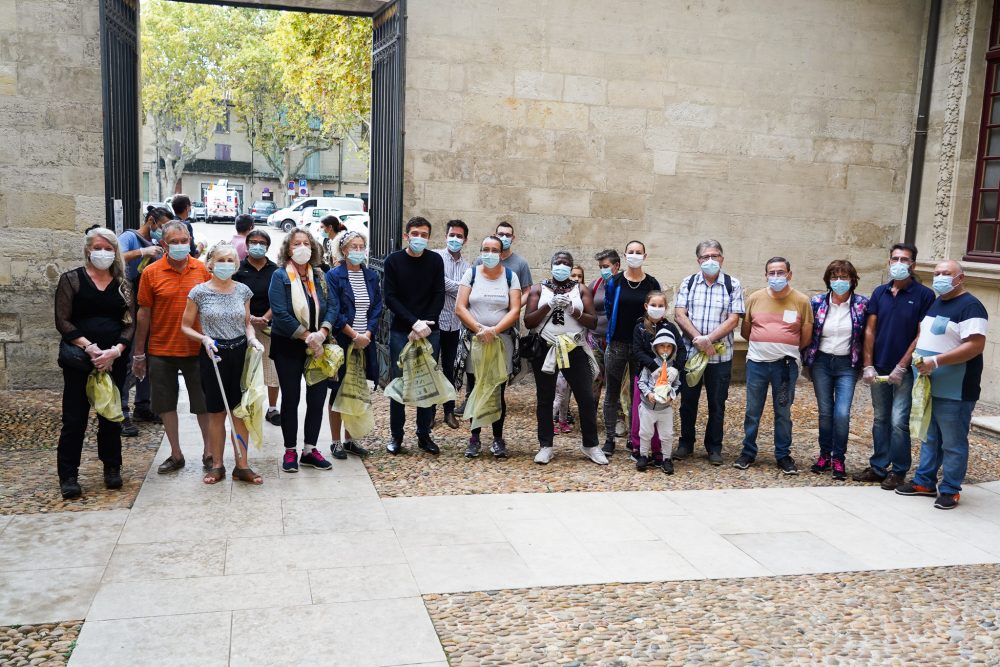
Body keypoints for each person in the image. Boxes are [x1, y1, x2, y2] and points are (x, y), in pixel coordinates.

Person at [896, 260, 988, 510]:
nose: (940, 278)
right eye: (936, 273)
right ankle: (924, 482)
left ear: (961, 278)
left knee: (953, 441)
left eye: (946, 274)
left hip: (955, 389)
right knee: (930, 436)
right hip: (928, 386)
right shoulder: (939, 302)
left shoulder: (971, 306)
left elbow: (975, 345)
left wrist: (935, 361)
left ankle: (950, 489)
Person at [53, 227, 133, 499]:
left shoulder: (123, 284)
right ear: (88, 249)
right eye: (98, 247)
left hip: (112, 359)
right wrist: (89, 347)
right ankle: (69, 475)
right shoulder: (72, 280)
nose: (103, 252)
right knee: (74, 418)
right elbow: (62, 320)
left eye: (109, 248)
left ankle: (112, 467)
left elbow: (129, 322)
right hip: (80, 358)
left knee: (110, 415)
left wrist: (115, 350)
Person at [131, 221, 213, 474]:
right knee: (166, 404)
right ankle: (176, 453)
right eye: (174, 242)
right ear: (163, 245)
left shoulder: (202, 270)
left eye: (184, 240)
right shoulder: (151, 273)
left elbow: (211, 308)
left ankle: (209, 452)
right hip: (161, 349)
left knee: (204, 404)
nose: (180, 245)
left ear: (190, 240)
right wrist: (139, 353)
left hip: (196, 349)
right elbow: (144, 313)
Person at [180, 243, 264, 485]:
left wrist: (252, 338)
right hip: (212, 354)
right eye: (221, 259)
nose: (226, 263)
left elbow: (247, 322)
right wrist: (204, 338)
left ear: (236, 264)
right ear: (210, 263)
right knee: (216, 412)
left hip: (239, 353)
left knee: (240, 411)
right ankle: (217, 465)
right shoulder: (198, 292)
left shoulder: (243, 291)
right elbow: (185, 326)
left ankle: (242, 465)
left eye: (230, 260)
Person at [854, 243, 936, 489]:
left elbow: (921, 334)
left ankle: (899, 470)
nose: (899, 263)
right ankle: (879, 466)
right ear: (889, 262)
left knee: (899, 420)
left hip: (905, 370)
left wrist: (902, 365)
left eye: (904, 259)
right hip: (878, 365)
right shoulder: (879, 292)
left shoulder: (924, 295)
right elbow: (870, 329)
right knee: (880, 418)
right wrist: (868, 364)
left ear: (913, 265)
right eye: (895, 259)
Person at [524, 250, 604, 465]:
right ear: (551, 265)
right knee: (545, 397)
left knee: (586, 397)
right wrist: (548, 306)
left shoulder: (581, 289)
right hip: (546, 347)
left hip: (573, 347)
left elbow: (593, 322)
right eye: (558, 262)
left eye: (566, 263)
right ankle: (546, 445)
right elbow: (529, 322)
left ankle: (590, 444)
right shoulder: (538, 289)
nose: (562, 266)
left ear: (571, 267)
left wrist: (573, 310)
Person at [268, 229, 339, 472]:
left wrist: (323, 332)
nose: (302, 247)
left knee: (317, 398)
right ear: (288, 249)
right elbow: (279, 312)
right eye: (296, 243)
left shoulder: (320, 275)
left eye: (306, 243)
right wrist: (307, 335)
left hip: (319, 346)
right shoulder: (280, 276)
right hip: (288, 345)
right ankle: (290, 450)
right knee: (290, 398)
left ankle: (310, 449)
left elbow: (332, 306)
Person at [734, 257, 813, 474]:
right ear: (765, 274)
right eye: (772, 272)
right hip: (757, 364)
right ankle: (748, 452)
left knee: (783, 411)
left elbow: (806, 336)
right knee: (752, 410)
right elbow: (746, 331)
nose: (776, 276)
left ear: (789, 274)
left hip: (785, 367)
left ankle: (783, 455)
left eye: (780, 272)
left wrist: (784, 348)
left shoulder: (802, 301)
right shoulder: (755, 298)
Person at [674, 240, 745, 465]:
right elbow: (679, 314)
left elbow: (734, 319)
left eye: (715, 256)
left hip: (720, 355)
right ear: (698, 260)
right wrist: (699, 339)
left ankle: (714, 447)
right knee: (688, 401)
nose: (710, 260)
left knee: (717, 402)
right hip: (692, 353)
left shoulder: (732, 284)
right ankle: (686, 442)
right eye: (705, 257)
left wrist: (709, 339)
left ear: (722, 258)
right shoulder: (689, 282)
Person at [455, 235, 522, 458]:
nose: (490, 253)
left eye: (494, 250)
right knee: (475, 387)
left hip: (501, 341)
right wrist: (479, 328)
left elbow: (514, 309)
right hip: (476, 340)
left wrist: (494, 330)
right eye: (486, 249)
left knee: (497, 390)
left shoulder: (510, 276)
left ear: (501, 253)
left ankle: (497, 437)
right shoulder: (471, 274)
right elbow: (460, 307)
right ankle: (474, 438)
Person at [801, 260, 869, 481]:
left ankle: (839, 457)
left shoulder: (861, 304)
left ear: (852, 280)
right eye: (835, 277)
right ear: (828, 280)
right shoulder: (817, 302)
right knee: (825, 411)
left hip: (846, 364)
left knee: (842, 413)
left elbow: (867, 335)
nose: (839, 281)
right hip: (821, 362)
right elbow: (808, 331)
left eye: (844, 277)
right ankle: (824, 456)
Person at [383, 217, 446, 454]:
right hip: (403, 330)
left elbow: (439, 293)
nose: (419, 237)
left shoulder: (435, 260)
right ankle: (396, 436)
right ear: (406, 235)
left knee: (426, 383)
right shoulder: (393, 261)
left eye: (424, 234)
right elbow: (390, 296)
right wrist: (413, 322)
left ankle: (424, 434)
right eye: (415, 233)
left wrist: (425, 323)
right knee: (399, 383)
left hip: (430, 330)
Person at [325, 231, 382, 460]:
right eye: (353, 246)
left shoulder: (371, 276)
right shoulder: (334, 275)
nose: (358, 250)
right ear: (344, 250)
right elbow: (334, 308)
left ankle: (350, 439)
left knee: (357, 389)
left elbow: (377, 306)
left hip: (365, 342)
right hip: (343, 341)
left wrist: (367, 333)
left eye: (361, 246)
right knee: (338, 390)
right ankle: (335, 441)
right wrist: (353, 334)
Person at [602, 240, 660, 457]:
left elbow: (655, 309)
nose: (635, 255)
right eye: (631, 252)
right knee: (612, 393)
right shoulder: (615, 282)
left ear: (645, 256)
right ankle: (609, 439)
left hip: (641, 346)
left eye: (639, 252)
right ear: (625, 255)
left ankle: (634, 437)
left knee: (639, 392)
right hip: (617, 343)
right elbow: (609, 308)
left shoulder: (652, 283)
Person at [116, 205, 171, 435]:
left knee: (146, 355)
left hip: (147, 304)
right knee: (129, 359)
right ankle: (121, 412)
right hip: (126, 302)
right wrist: (142, 253)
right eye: (163, 226)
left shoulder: (158, 244)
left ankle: (143, 404)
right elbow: (115, 258)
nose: (164, 230)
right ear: (151, 220)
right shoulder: (130, 237)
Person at [631, 290, 686, 468]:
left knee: (662, 416)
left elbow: (682, 350)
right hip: (645, 375)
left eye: (660, 305)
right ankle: (640, 450)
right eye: (653, 305)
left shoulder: (670, 328)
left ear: (665, 307)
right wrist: (653, 368)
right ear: (646, 306)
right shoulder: (639, 327)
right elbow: (637, 350)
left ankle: (660, 452)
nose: (657, 308)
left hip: (666, 376)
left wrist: (675, 369)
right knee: (642, 415)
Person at [233, 229, 282, 426]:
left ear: (268, 246)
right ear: (247, 244)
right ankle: (248, 405)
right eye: (253, 242)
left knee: (272, 369)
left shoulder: (275, 270)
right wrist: (250, 318)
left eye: (262, 242)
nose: (257, 245)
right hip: (244, 325)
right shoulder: (238, 269)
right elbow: (234, 296)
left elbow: (280, 297)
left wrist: (265, 317)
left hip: (270, 326)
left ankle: (272, 408)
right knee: (247, 368)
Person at [434, 219, 471, 430]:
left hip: (455, 325)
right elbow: (439, 282)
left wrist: (458, 288)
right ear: (446, 236)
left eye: (459, 236)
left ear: (465, 240)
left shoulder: (467, 266)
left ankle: (449, 411)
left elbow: (469, 291)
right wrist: (462, 288)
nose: (455, 239)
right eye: (452, 235)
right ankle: (428, 413)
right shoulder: (436, 258)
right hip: (435, 322)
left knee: (450, 368)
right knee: (431, 367)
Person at [590, 249, 625, 435]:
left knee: (616, 381)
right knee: (594, 379)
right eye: (600, 267)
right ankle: (590, 417)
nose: (602, 270)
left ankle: (618, 419)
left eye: (606, 266)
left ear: (616, 266)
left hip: (617, 341)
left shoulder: (623, 285)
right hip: (595, 338)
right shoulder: (595, 285)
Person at [636, 329, 680, 473]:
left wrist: (671, 395)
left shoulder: (673, 368)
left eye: (669, 346)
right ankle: (643, 456)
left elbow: (677, 385)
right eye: (662, 346)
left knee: (666, 434)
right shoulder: (650, 365)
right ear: (656, 347)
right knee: (645, 432)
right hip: (648, 407)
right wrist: (648, 394)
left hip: (664, 408)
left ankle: (667, 459)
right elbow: (641, 382)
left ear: (673, 348)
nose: (665, 349)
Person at [553, 265, 586, 434]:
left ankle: (563, 420)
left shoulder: (582, 296)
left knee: (568, 393)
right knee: (560, 391)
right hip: (560, 348)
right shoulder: (556, 296)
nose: (576, 278)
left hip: (576, 347)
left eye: (579, 276)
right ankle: (553, 420)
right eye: (573, 275)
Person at [476, 221, 532, 299]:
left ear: (513, 238)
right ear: (495, 235)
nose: (504, 238)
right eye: (501, 234)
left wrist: (514, 308)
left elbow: (527, 291)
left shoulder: (521, 263)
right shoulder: (481, 260)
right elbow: (471, 286)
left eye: (508, 235)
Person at [170, 194, 203, 258]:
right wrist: (200, 246)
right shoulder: (185, 225)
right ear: (187, 208)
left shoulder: (169, 224)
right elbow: (192, 253)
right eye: (190, 206)